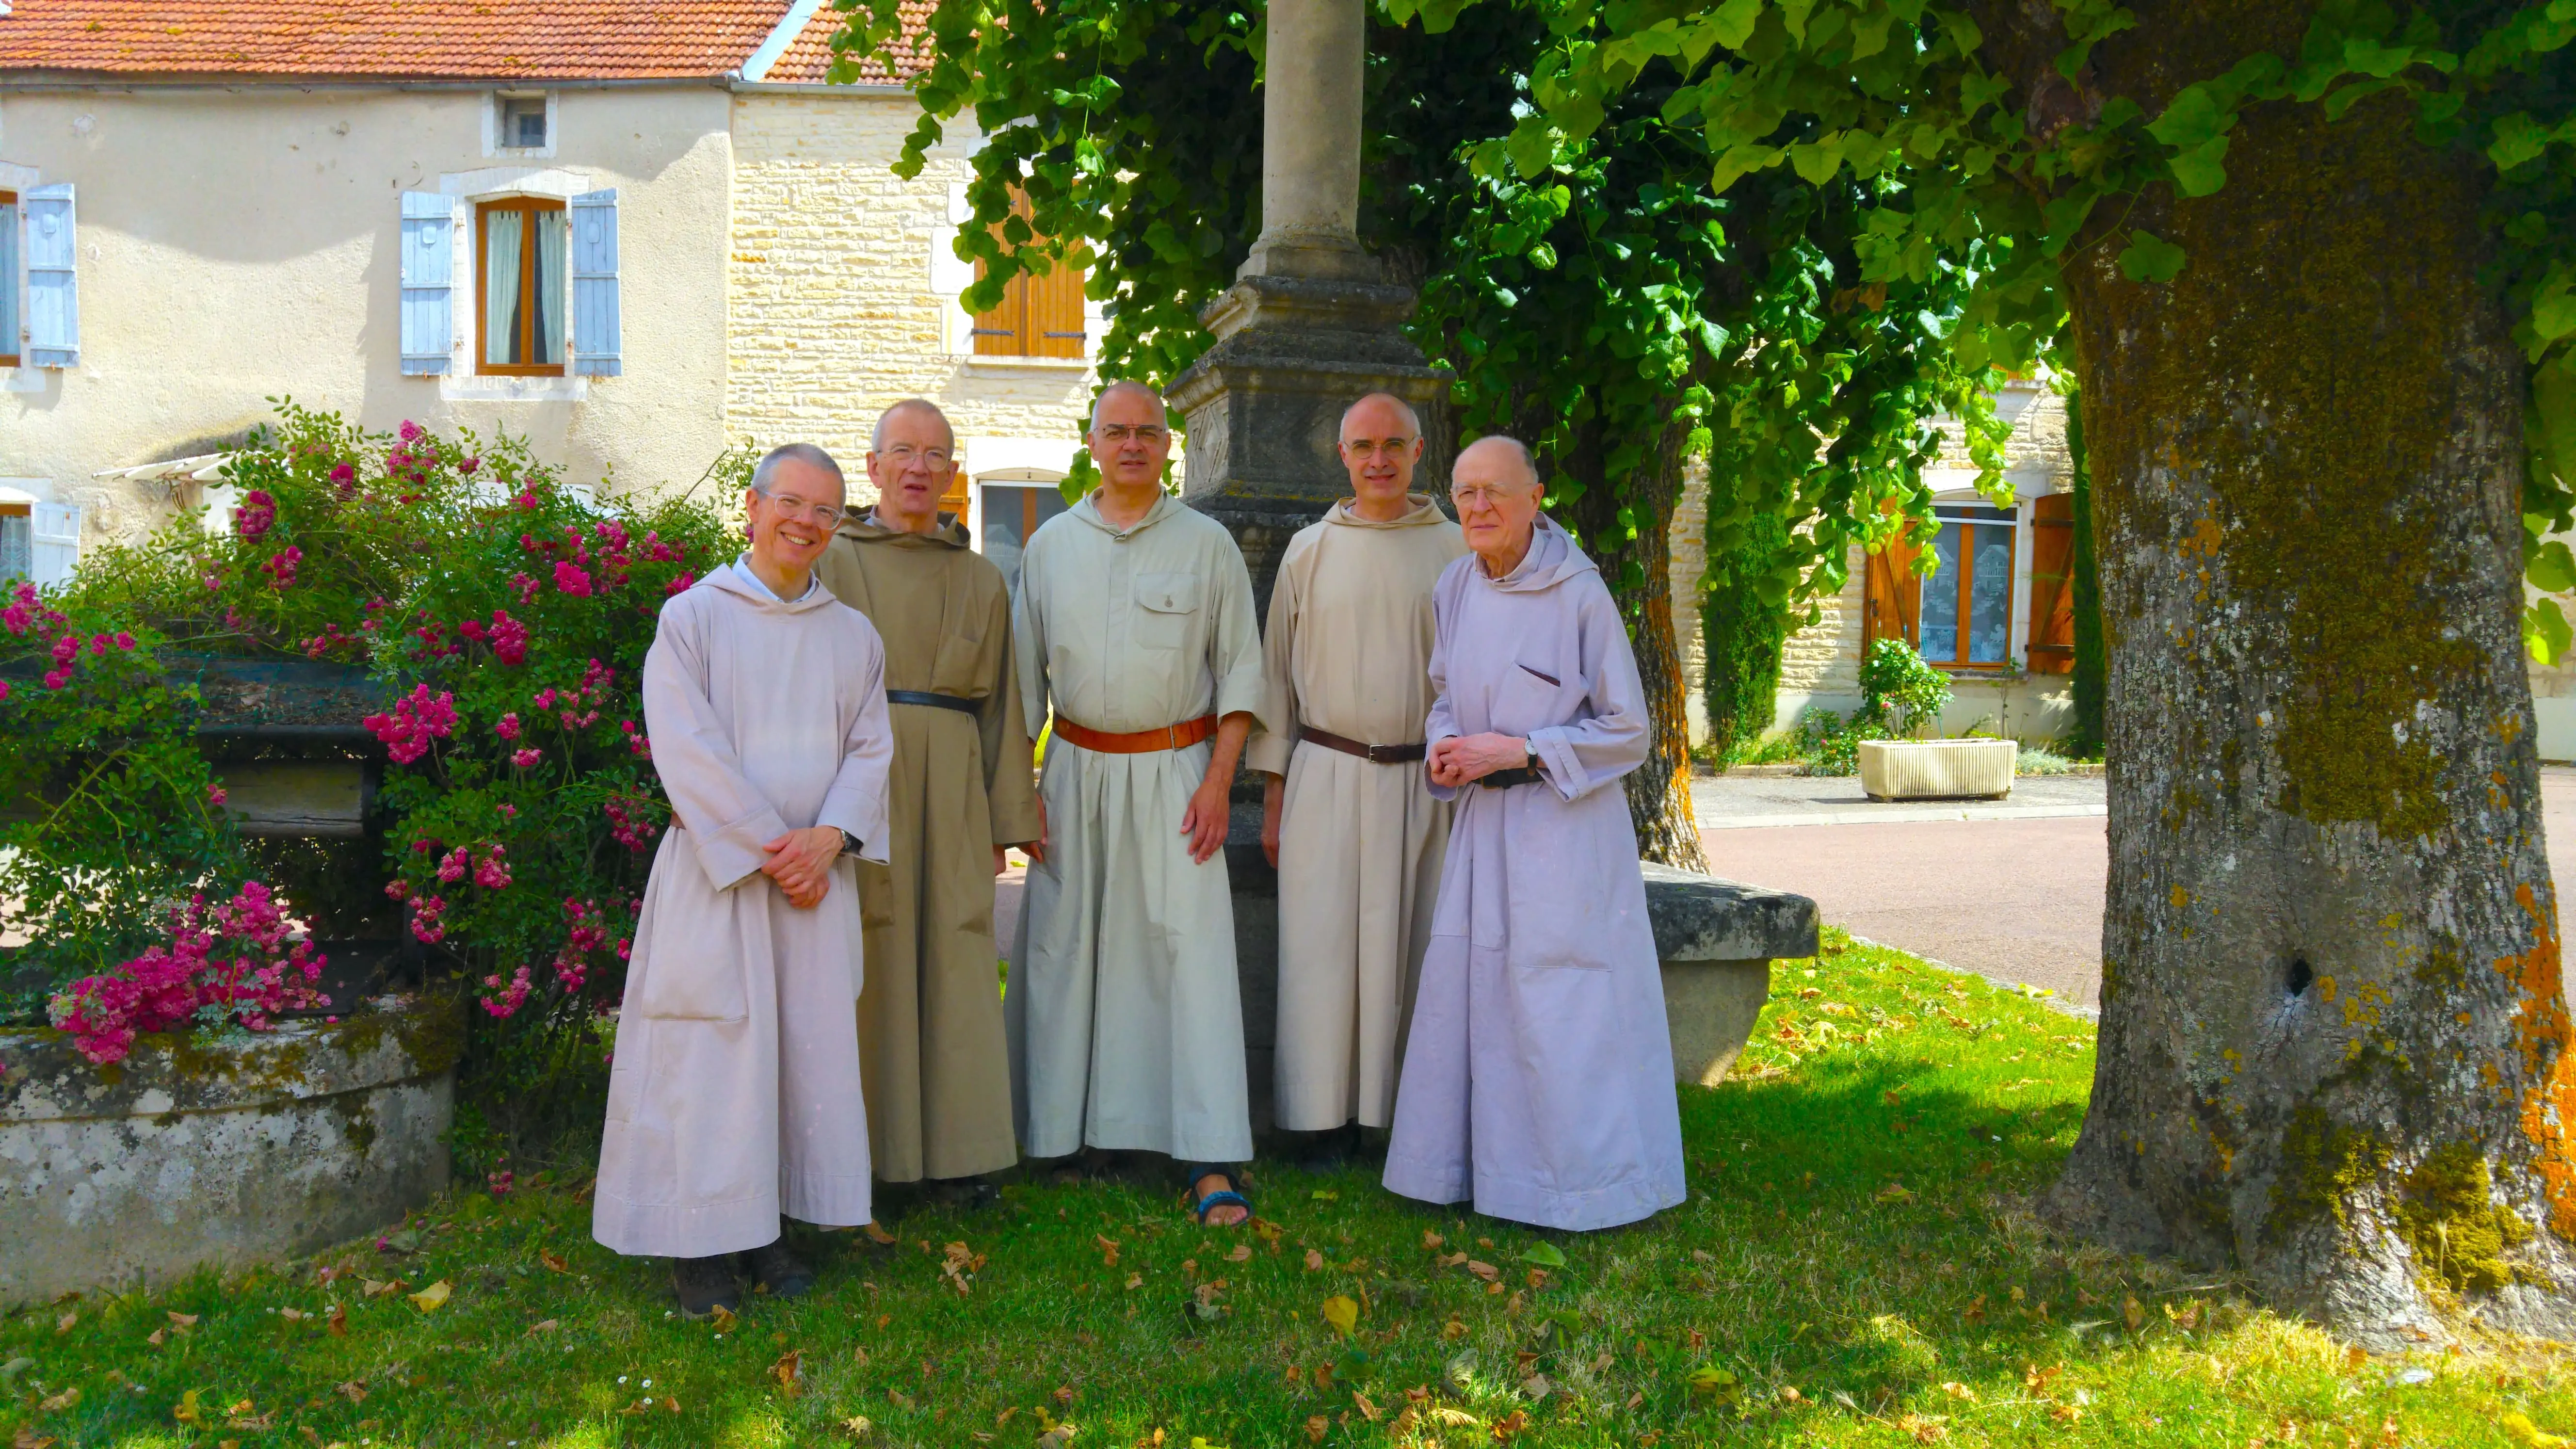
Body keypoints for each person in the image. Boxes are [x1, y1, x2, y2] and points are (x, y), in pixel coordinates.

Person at [595, 442, 894, 1316]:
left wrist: (831, 838)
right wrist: (779, 850)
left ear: (837, 527)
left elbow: (872, 749)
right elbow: (686, 748)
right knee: (711, 1059)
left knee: (799, 1054)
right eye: (791, 503)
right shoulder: (693, 620)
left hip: (810, 884)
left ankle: (766, 1230)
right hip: (722, 880)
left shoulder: (852, 636)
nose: (805, 522)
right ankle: (699, 1249)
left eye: (825, 511)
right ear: (754, 509)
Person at [1381, 435, 1687, 1231]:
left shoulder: (1579, 593)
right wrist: (1448, 744)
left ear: (1535, 497)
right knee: (1476, 993)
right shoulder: (1454, 584)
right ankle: (1489, 1176)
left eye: (1495, 492)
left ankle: (1584, 1185)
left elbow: (1630, 731)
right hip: (1483, 827)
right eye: (1465, 492)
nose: (1477, 508)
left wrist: (1520, 751)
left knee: (1559, 995)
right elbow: (1445, 689)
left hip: (1563, 834)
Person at [1007, 379, 1270, 1226]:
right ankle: (1059, 1138)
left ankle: (1206, 1156)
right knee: (1064, 950)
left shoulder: (1208, 545)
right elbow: (1019, 686)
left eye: (1148, 434)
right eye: (1116, 432)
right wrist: (1024, 797)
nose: (1132, 446)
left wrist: (1221, 781)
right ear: (1091, 443)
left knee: (1185, 957)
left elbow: (1239, 674)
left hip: (1178, 775)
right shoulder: (1050, 547)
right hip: (1076, 772)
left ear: (1168, 447)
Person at [815, 400, 1044, 1206]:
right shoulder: (830, 561)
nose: (919, 466)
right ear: (873, 466)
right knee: (865, 960)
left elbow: (1006, 709)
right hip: (857, 781)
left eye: (936, 454)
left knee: (955, 956)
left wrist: (1007, 821)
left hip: (952, 788)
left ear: (951, 473)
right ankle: (864, 1158)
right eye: (902, 451)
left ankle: (957, 1154)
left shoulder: (982, 579)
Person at [1248, 393, 1465, 1168]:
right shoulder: (1309, 550)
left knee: (1415, 945)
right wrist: (1274, 799)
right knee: (1321, 952)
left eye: (1393, 445)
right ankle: (1319, 1122)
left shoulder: (1455, 551)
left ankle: (1405, 1118)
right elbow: (1275, 678)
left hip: (1425, 782)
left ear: (1418, 451)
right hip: (1327, 775)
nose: (1379, 460)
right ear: (1342, 455)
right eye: (1363, 446)